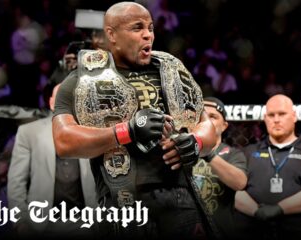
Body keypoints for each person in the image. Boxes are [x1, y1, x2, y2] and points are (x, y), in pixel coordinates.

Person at [52, 2, 216, 240]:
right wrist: (126, 131)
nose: (148, 34)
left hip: (180, 196)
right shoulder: (83, 79)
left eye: (150, 27)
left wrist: (196, 141)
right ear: (111, 34)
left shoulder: (171, 71)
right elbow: (63, 141)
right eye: (137, 27)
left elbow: (209, 127)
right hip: (122, 201)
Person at [234, 94, 301, 240]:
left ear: (294, 116)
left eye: (282, 114)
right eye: (271, 115)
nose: (276, 119)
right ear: (265, 118)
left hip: (298, 232)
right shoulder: (248, 152)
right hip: (253, 231)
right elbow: (233, 189)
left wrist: (278, 209)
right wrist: (256, 212)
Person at [7, 84, 97, 240]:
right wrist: (20, 221)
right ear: (51, 103)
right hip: (41, 224)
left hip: (87, 222)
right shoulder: (29, 132)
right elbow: (16, 181)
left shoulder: (94, 131)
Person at [192, 97, 247, 239]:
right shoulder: (179, 150)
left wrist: (208, 154)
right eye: (201, 115)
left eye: (213, 116)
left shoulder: (234, 154)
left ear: (224, 126)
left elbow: (240, 183)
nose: (207, 121)